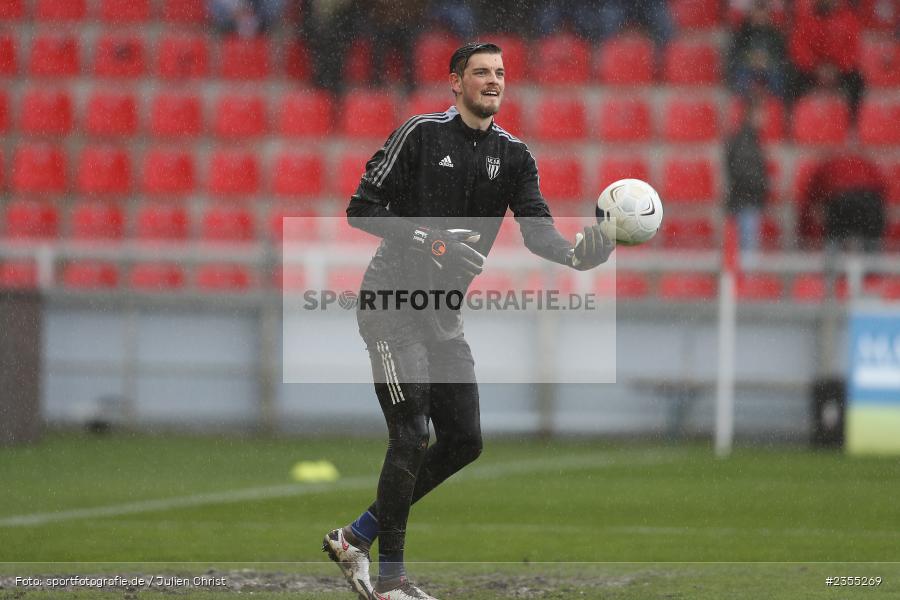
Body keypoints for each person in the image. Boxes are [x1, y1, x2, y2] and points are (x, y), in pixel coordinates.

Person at [321, 42, 614, 600]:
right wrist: (429, 240)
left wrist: (580, 253)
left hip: (442, 317)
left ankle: (357, 537)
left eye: (500, 72)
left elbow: (538, 233)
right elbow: (361, 208)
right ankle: (391, 583)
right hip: (391, 303)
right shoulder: (421, 134)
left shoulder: (515, 156)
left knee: (465, 440)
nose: (493, 80)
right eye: (481, 72)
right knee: (410, 435)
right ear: (455, 82)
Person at [787, 0, 865, 117]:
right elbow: (798, 47)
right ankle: (791, 119)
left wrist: (837, 67)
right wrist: (815, 66)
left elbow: (853, 50)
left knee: (857, 81)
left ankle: (853, 122)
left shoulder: (849, 19)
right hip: (812, 70)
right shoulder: (806, 18)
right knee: (791, 79)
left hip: (839, 71)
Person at [724, 97, 769, 253]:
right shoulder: (745, 141)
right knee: (748, 254)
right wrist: (763, 185)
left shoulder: (750, 139)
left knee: (745, 253)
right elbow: (742, 173)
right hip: (746, 203)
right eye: (761, 113)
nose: (765, 118)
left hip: (745, 202)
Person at [726, 0, 788, 99]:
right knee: (740, 77)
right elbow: (735, 54)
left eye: (763, 13)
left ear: (768, 15)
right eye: (757, 12)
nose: (760, 16)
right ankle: (743, 102)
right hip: (747, 67)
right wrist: (751, 59)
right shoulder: (742, 33)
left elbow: (780, 54)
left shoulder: (774, 34)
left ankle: (775, 103)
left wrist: (767, 61)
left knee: (778, 76)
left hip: (770, 67)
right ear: (751, 14)